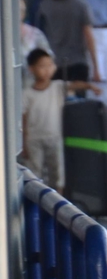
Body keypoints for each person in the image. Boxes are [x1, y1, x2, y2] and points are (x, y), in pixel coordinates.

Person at [38, 0, 97, 89]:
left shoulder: (44, 5)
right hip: (78, 61)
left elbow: (39, 33)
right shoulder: (81, 5)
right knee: (77, 104)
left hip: (52, 63)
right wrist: (96, 67)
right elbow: (89, 37)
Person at [21, 48, 63, 188]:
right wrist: (24, 144)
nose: (47, 69)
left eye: (50, 65)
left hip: (55, 137)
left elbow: (75, 85)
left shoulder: (58, 87)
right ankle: (36, 205)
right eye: (42, 66)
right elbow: (23, 119)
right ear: (31, 69)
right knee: (34, 173)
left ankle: (57, 204)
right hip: (33, 139)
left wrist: (90, 86)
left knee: (57, 173)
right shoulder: (27, 93)